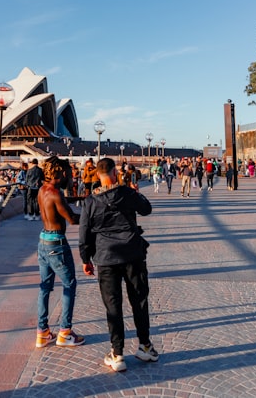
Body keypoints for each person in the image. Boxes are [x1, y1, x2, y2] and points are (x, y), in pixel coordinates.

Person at [79, 157, 158, 372]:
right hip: (132, 254)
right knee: (139, 300)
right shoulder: (126, 193)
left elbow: (84, 231)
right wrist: (135, 191)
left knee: (113, 306)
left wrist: (86, 259)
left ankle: (117, 353)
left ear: (97, 175)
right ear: (115, 173)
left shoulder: (91, 201)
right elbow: (146, 209)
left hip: (106, 257)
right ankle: (145, 346)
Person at [35, 156, 85, 348]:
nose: (71, 177)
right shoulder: (56, 193)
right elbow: (72, 218)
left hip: (43, 241)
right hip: (57, 244)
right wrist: (95, 217)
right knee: (69, 284)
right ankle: (65, 332)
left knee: (45, 287)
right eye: (70, 174)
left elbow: (58, 205)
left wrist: (82, 198)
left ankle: (43, 332)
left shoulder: (43, 190)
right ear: (62, 172)